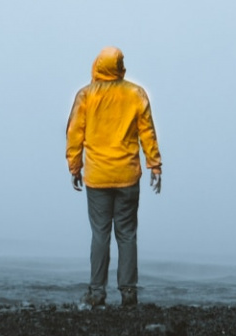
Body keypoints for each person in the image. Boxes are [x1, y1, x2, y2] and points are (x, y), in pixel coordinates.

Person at [62, 46, 164, 307]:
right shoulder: (135, 94)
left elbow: (74, 133)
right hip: (128, 175)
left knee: (100, 234)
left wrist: (75, 166)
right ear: (119, 66)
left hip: (97, 177)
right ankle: (129, 293)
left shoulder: (86, 96)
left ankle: (97, 293)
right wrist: (155, 164)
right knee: (127, 234)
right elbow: (147, 132)